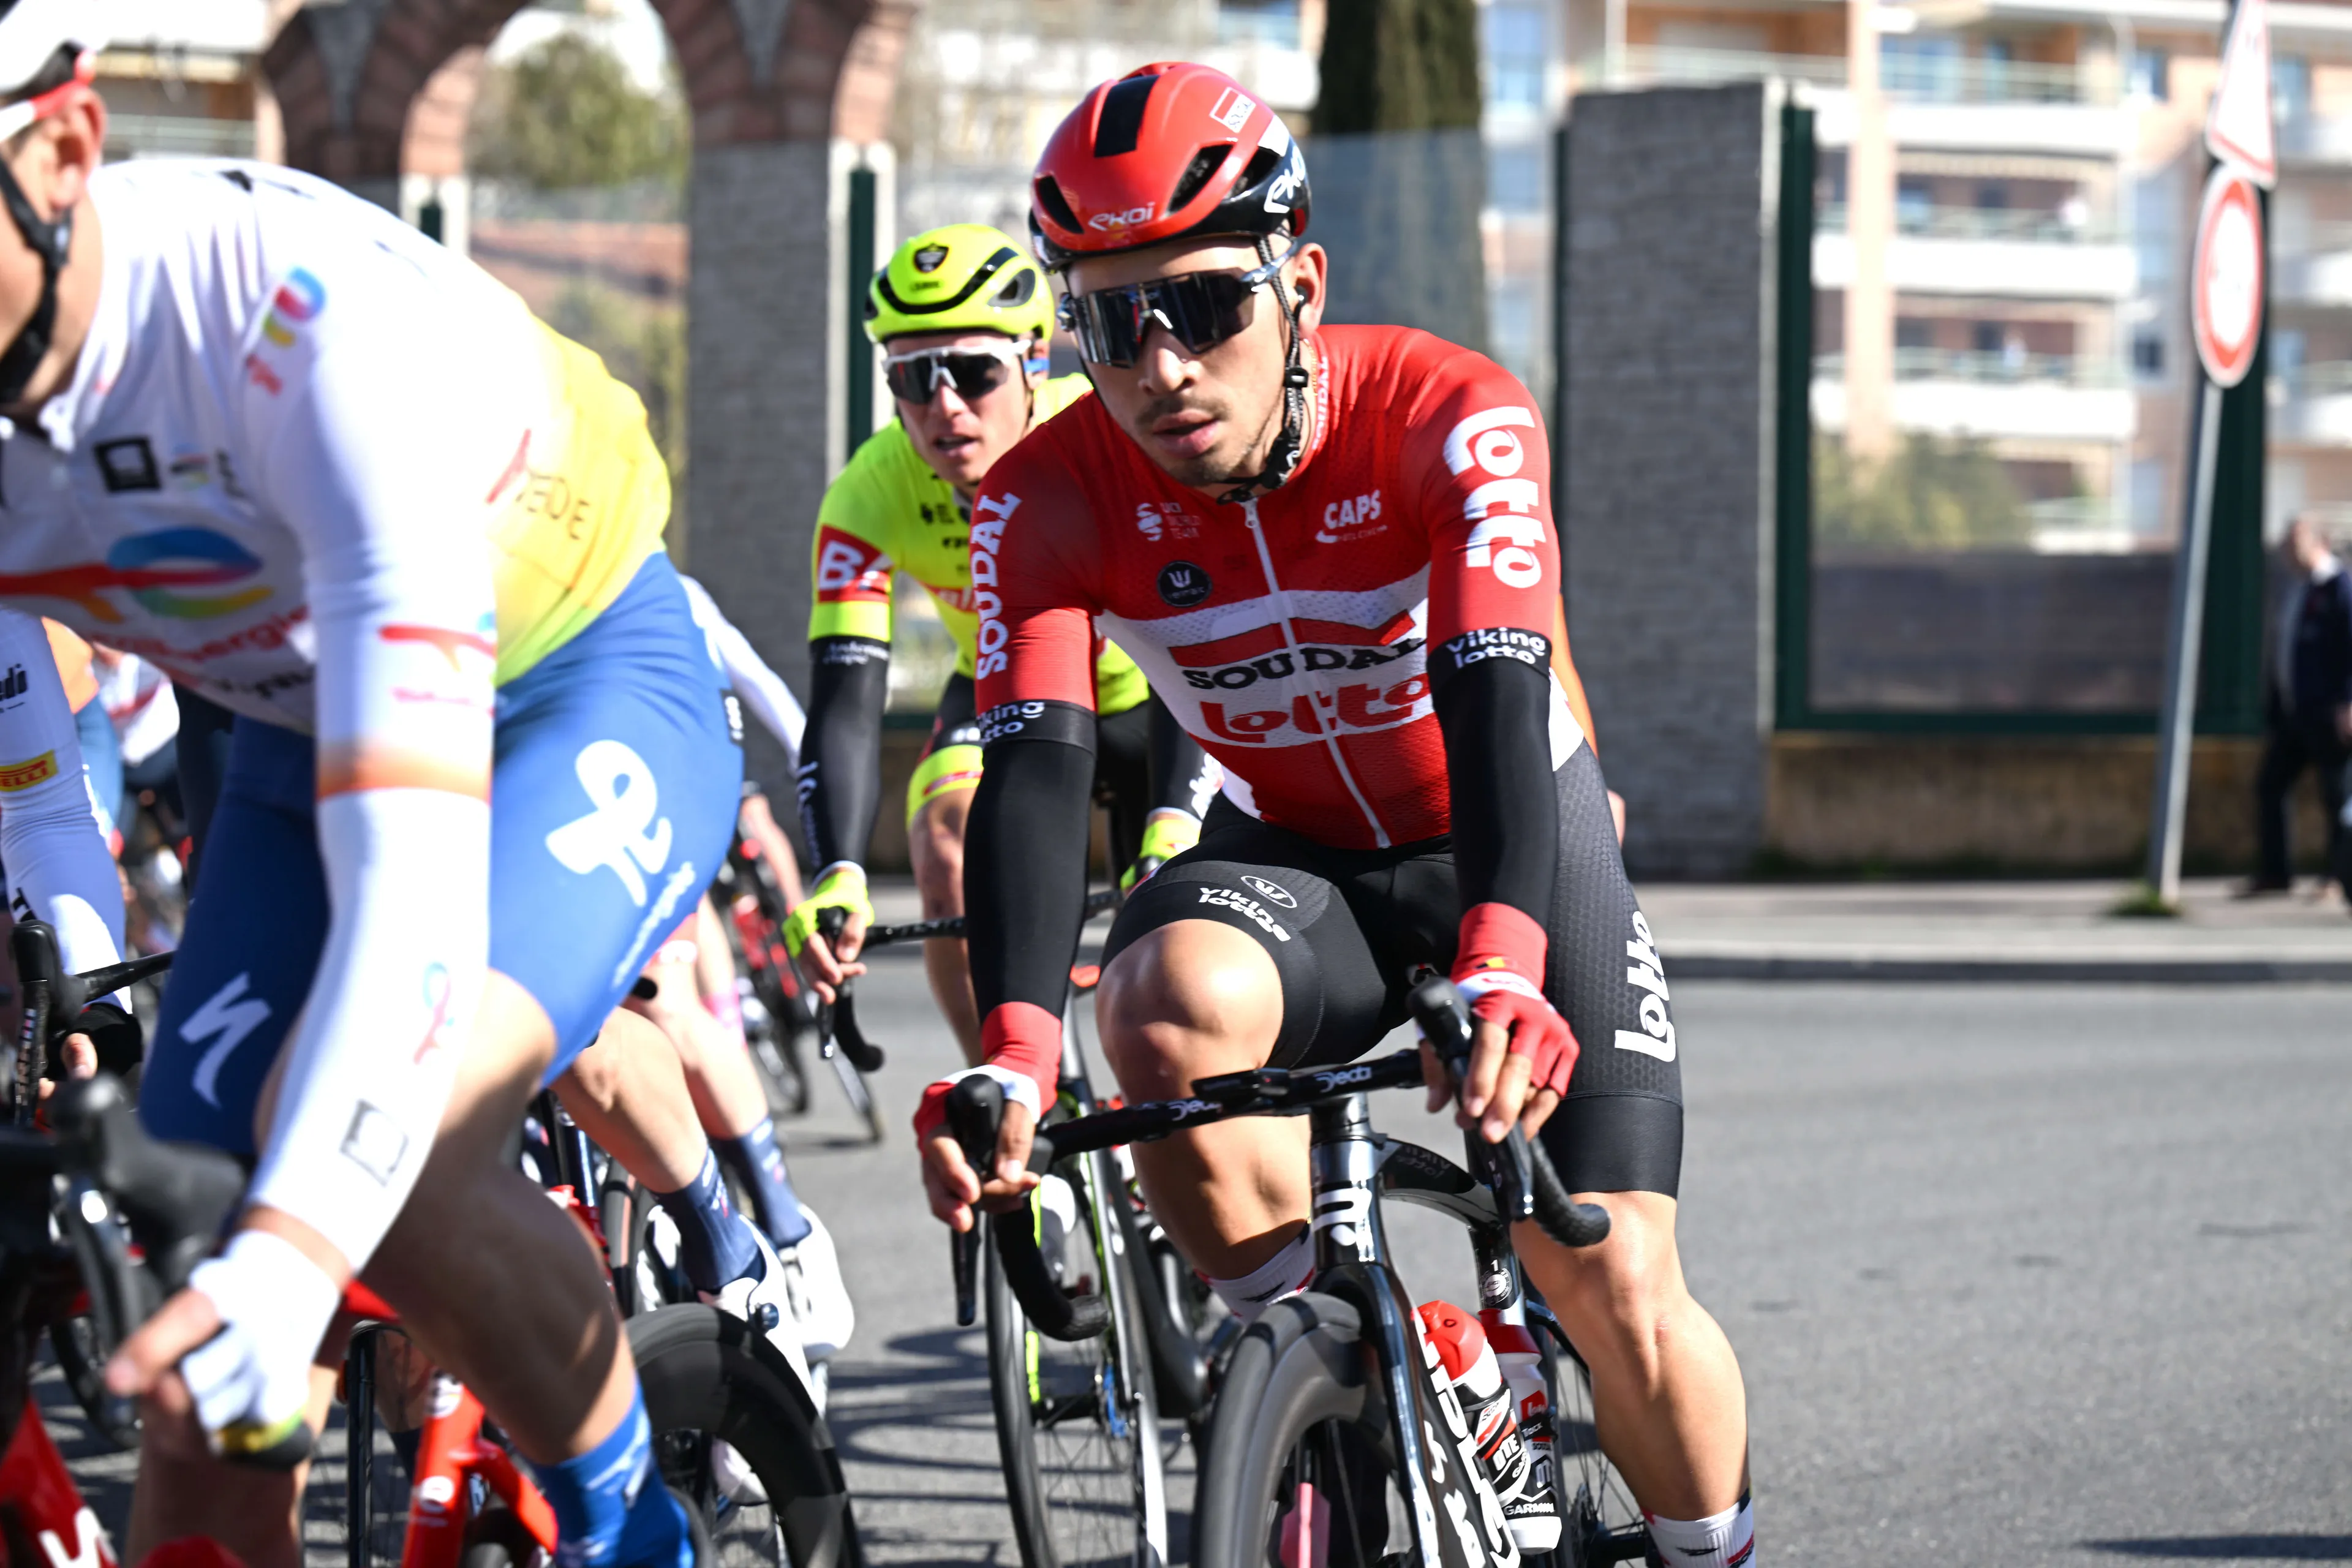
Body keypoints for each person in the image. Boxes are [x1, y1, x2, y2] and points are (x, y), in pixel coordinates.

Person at [916, 63, 1757, 1568]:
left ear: (1299, 284)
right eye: (1110, 321)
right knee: (1155, 1011)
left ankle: (1711, 1547)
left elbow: (1502, 695)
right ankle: (1346, 1370)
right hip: (1295, 848)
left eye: (1205, 305)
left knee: (1612, 1272)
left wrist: (1503, 958)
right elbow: (1034, 763)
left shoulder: (1449, 414)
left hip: (1504, 827)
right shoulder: (1039, 494)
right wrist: (1010, 1054)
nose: (1160, 362)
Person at [0, 20, 791, 1564]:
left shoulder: (286, 325)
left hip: (569, 680)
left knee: (372, 1152)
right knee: (190, 1347)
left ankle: (636, 1530)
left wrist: (295, 1245)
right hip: (303, 733)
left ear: (67, 150)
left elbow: (413, 900)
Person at [788, 222, 1216, 1057]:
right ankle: (1013, 1090)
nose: (945, 406)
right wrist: (837, 868)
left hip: (1155, 701)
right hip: (1005, 696)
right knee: (945, 831)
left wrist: (1175, 813)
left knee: (1176, 957)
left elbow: (1201, 637)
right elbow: (845, 698)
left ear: (1033, 361)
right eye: (914, 377)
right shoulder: (867, 494)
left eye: (975, 372)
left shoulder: (1112, 438)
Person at [2245, 514, 2352, 903]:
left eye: (2296, 542)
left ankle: (2337, 878)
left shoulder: (2340, 588)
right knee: (2271, 785)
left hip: (2329, 713)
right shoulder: (2297, 589)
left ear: (2319, 542)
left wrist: (2349, 704)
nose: (2288, 551)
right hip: (2295, 713)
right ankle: (2275, 873)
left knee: (2337, 796)